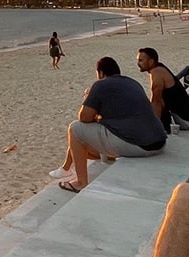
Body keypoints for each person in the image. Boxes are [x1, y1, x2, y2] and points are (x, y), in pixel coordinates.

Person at [52, 57, 166, 192]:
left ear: (100, 73)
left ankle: (80, 182)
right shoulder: (133, 83)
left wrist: (88, 98)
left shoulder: (100, 85)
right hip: (159, 142)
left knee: (75, 129)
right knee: (93, 138)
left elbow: (84, 118)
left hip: (140, 145)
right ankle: (69, 168)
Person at [136, 47, 189, 133]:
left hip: (185, 122)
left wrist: (153, 126)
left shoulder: (156, 73)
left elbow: (156, 102)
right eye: (138, 60)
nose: (138, 63)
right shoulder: (160, 68)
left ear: (151, 61)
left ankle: (161, 128)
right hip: (188, 118)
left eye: (141, 60)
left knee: (154, 101)